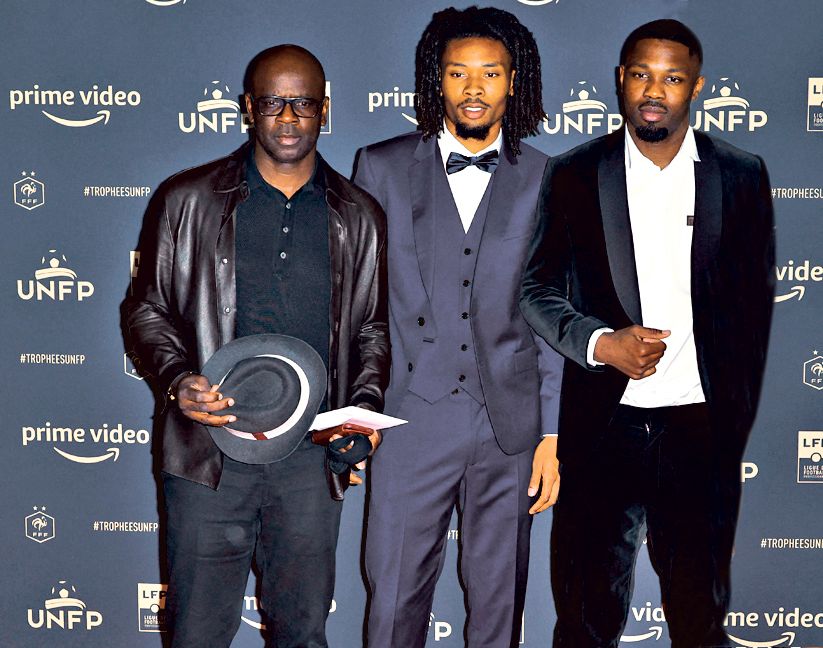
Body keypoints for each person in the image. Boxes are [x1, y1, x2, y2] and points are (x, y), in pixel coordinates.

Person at [123, 45, 389, 648]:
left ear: (324, 110)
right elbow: (147, 310)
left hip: (309, 460)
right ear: (249, 108)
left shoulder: (359, 216)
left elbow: (371, 329)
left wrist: (361, 413)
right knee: (197, 633)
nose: (289, 117)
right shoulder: (186, 200)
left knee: (302, 634)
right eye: (273, 103)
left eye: (303, 103)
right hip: (207, 457)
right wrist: (177, 378)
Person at [520, 19, 775, 648]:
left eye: (671, 77)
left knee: (699, 613)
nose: (653, 90)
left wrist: (729, 418)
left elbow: (752, 310)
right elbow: (536, 290)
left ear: (697, 87)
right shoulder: (576, 172)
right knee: (584, 616)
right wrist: (601, 343)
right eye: (641, 75)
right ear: (620, 80)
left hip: (699, 430)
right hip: (604, 426)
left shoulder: (741, 174)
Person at [353, 7, 563, 647]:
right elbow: (357, 305)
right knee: (391, 598)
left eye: (491, 73)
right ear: (434, 81)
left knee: (500, 603)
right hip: (407, 416)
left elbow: (552, 309)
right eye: (458, 72)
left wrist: (551, 432)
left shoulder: (547, 177)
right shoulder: (381, 167)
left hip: (510, 425)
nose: (474, 88)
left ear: (513, 81)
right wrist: (355, 411)